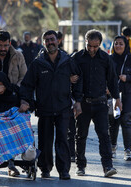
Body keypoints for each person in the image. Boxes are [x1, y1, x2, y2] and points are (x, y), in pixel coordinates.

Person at [19, 30, 83, 180]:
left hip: (63, 108)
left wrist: (78, 101)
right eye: (47, 40)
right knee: (45, 141)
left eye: (52, 39)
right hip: (45, 108)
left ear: (58, 41)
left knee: (63, 139)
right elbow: (27, 85)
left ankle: (64, 170)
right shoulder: (38, 63)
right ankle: (45, 169)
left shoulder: (67, 61)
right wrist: (26, 101)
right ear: (43, 43)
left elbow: (78, 80)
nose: (50, 42)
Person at [73, 29, 122, 177]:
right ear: (85, 43)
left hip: (101, 103)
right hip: (83, 103)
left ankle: (108, 166)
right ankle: (80, 166)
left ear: (100, 44)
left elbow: (113, 80)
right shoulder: (77, 58)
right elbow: (71, 79)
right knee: (81, 135)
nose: (92, 49)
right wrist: (76, 101)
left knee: (104, 136)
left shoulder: (106, 59)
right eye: (89, 46)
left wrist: (117, 99)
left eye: (95, 46)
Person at [109, 35, 131, 161]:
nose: (118, 46)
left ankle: (127, 151)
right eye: (116, 43)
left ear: (125, 45)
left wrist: (127, 78)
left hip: (128, 95)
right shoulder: (109, 59)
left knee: (127, 123)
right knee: (113, 124)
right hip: (112, 95)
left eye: (121, 44)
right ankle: (112, 148)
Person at [57, 30, 77, 162]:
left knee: (71, 129)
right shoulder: (42, 58)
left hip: (67, 100)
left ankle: (70, 153)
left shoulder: (66, 58)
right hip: (55, 100)